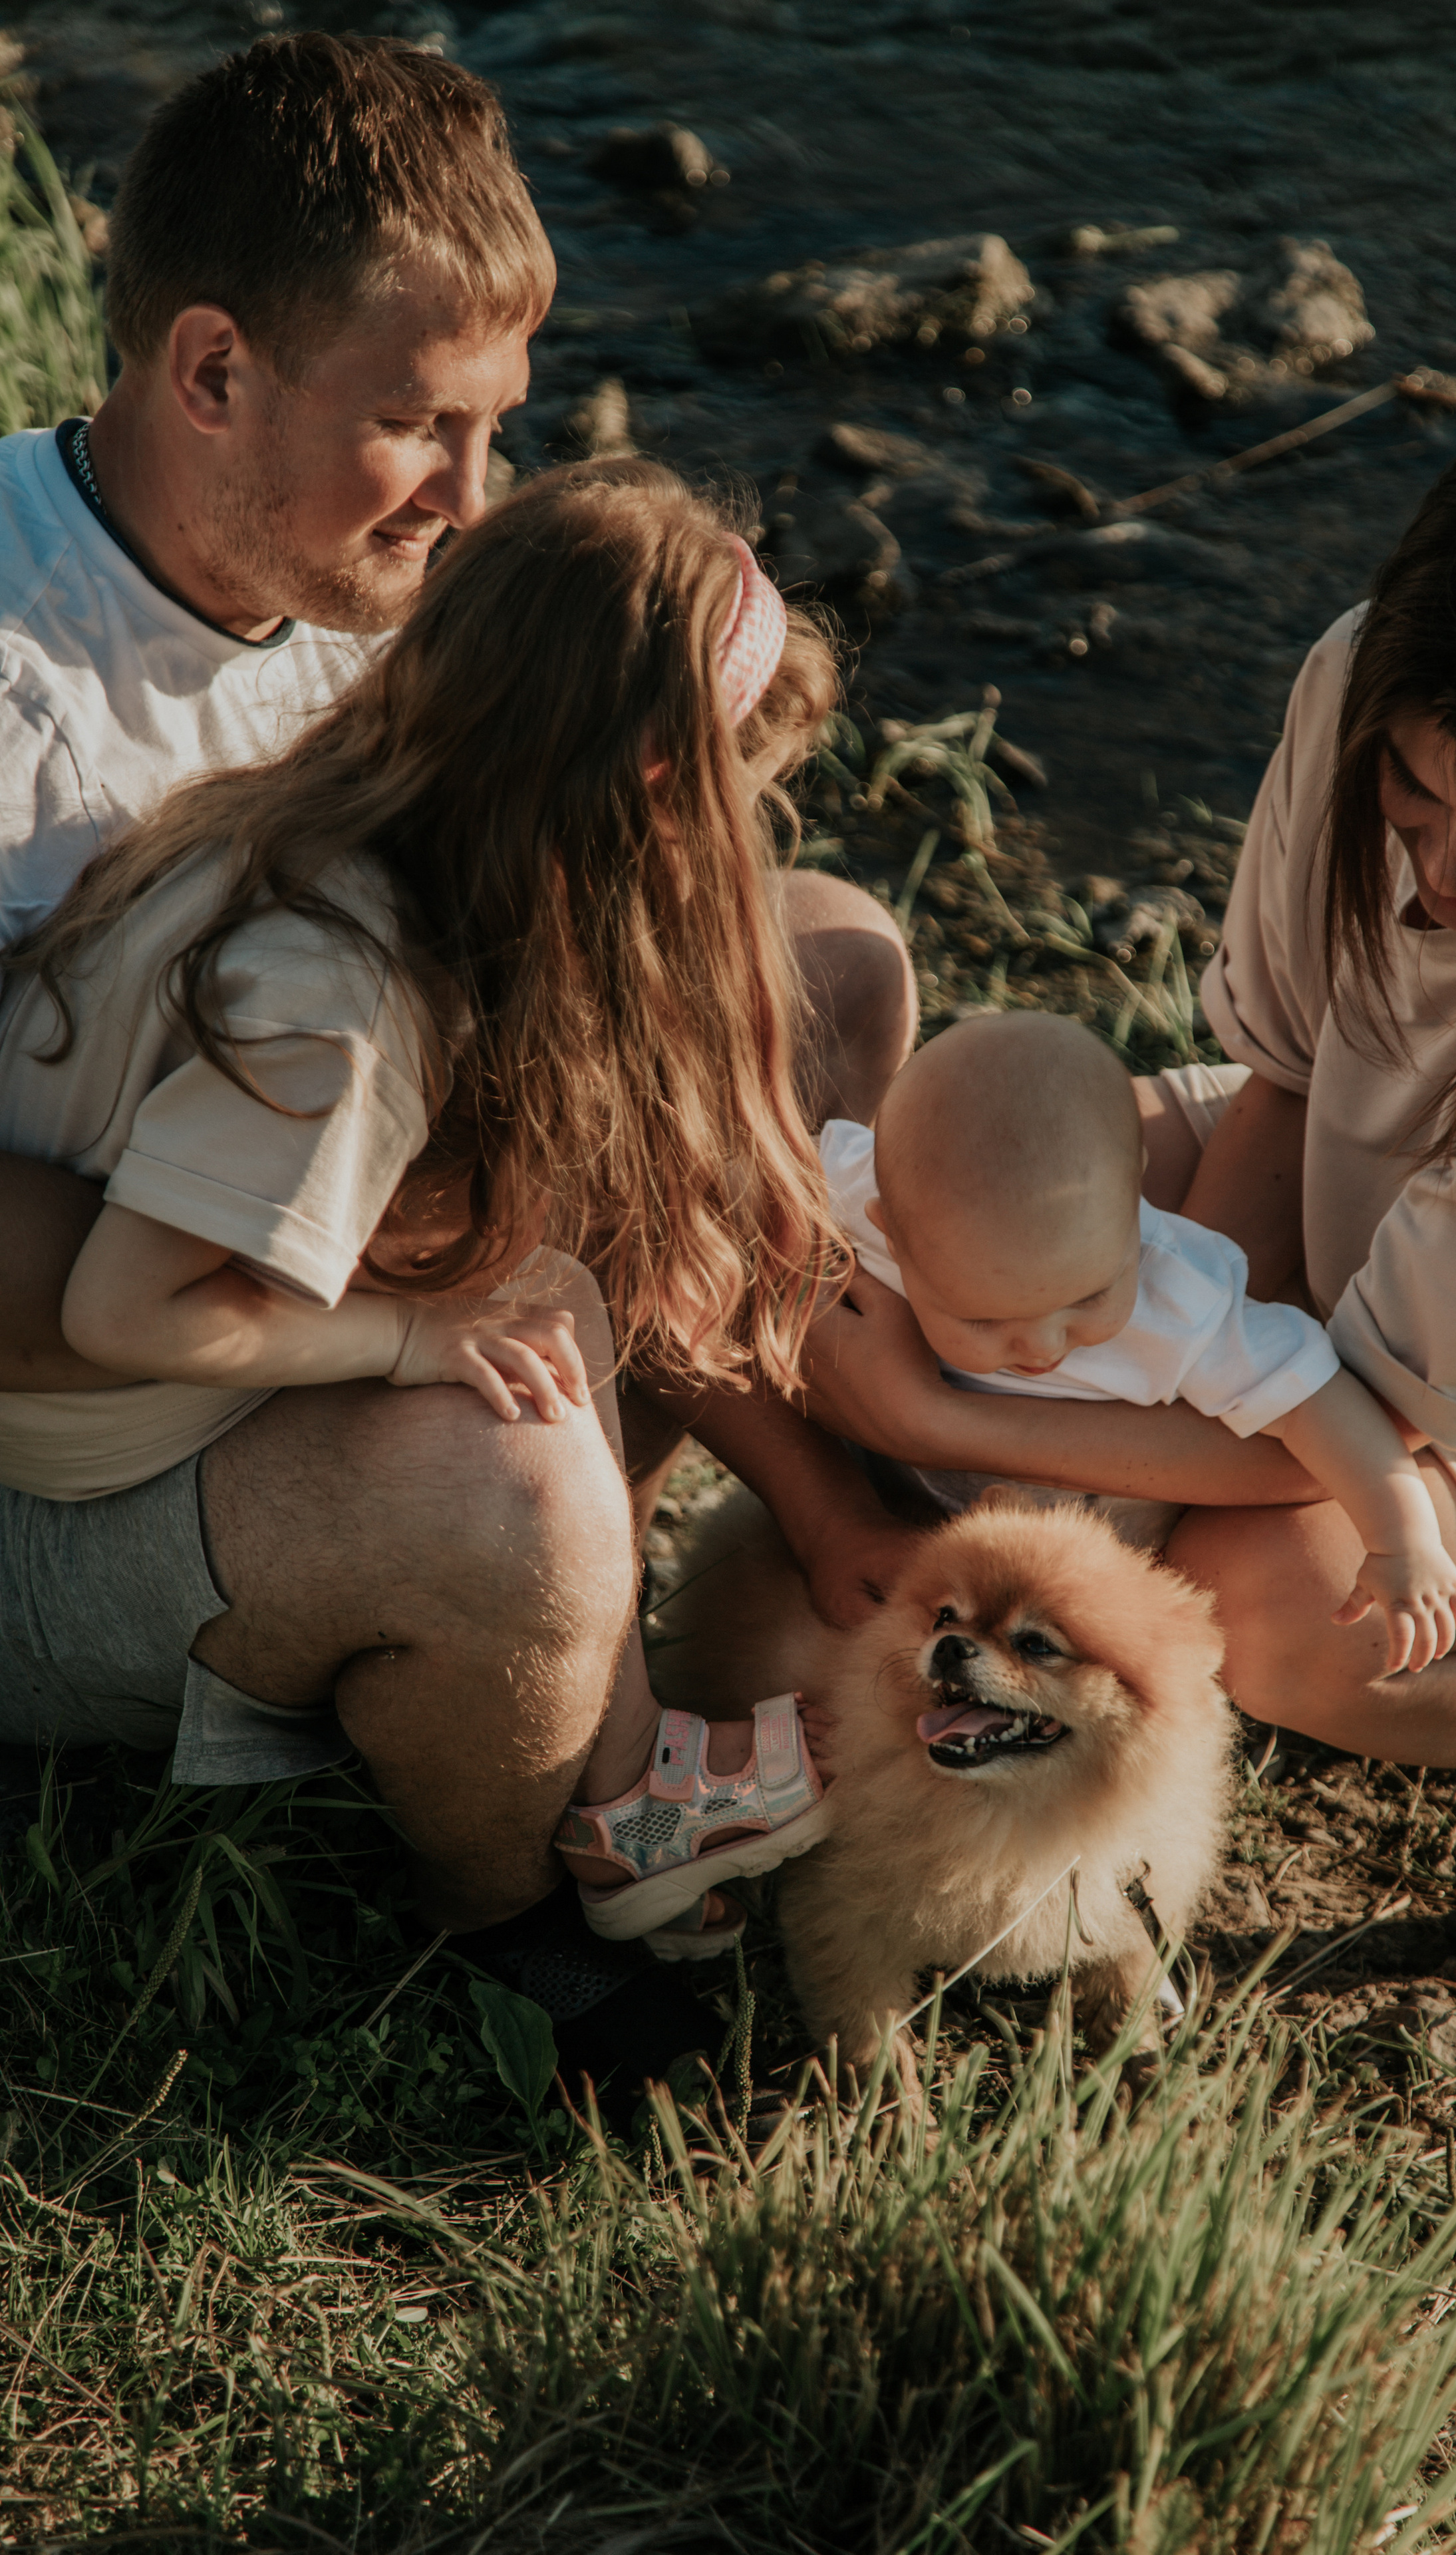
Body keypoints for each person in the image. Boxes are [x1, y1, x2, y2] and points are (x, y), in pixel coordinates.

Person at [0, 35, 916, 2079]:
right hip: (65, 1436)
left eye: (498, 426)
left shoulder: (365, 558)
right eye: (421, 425)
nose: (473, 504)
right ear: (213, 370)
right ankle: (515, 1895)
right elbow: (70, 1298)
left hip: (272, 1206)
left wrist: (794, 1471)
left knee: (822, 975)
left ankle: (552, 1643)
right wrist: (421, 1314)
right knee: (508, 1489)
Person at [801, 408, 1456, 2001]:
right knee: (975, 1202)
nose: (1439, 882)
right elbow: (1283, 1088)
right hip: (1418, 1213)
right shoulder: (1360, 677)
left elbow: (1357, 1433)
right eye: (1412, 805)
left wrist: (943, 1410)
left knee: (1267, 1598)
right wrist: (1129, 1383)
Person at [819, 1011, 1456, 1673]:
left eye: (1087, 1299)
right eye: (983, 1321)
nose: (1042, 1347)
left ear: (1133, 1188)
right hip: (895, 1504)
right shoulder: (856, 1196)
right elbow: (771, 1183)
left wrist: (1400, 1539)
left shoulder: (1178, 1299)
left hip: (1092, 1546)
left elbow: (1317, 1401)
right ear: (888, 1229)